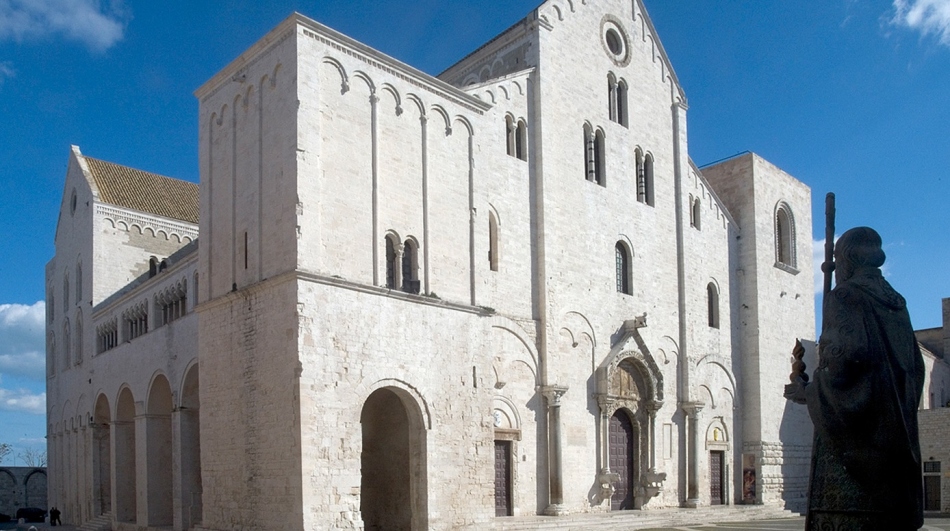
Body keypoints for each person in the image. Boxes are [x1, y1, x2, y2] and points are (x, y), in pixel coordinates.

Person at [786, 227, 924, 530]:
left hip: (855, 461)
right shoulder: (897, 304)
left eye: (838, 258)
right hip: (895, 444)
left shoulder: (845, 296)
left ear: (845, 259)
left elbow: (843, 367)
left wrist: (807, 392)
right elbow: (915, 369)